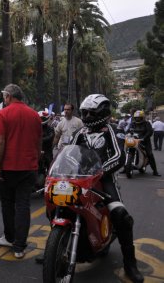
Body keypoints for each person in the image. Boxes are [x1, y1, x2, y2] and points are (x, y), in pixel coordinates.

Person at [71, 94, 144, 283]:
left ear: (102, 113)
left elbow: (119, 157)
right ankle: (56, 249)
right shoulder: (79, 133)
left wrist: (98, 172)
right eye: (84, 112)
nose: (86, 116)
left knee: (121, 216)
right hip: (78, 180)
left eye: (90, 113)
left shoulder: (113, 131)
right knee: (59, 204)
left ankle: (130, 264)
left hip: (104, 180)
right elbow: (68, 153)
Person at [0, 84, 42, 259]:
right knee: (23, 205)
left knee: (7, 204)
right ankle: (19, 246)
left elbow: (0, 142)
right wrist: (36, 160)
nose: (3, 100)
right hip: (29, 166)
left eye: (4, 97)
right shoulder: (34, 115)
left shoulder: (3, 114)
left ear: (8, 96)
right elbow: (39, 141)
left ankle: (10, 237)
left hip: (9, 166)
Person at [128, 110, 160, 176]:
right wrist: (127, 133)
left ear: (142, 117)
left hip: (145, 141)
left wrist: (144, 138)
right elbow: (128, 130)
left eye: (139, 117)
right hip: (134, 140)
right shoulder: (133, 123)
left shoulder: (147, 123)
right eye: (136, 117)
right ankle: (126, 168)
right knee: (128, 151)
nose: (137, 119)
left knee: (150, 154)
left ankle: (155, 171)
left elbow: (150, 131)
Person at [39, 110, 55, 177]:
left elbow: (50, 138)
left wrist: (39, 140)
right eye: (41, 118)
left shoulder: (50, 129)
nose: (42, 120)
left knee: (50, 168)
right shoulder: (36, 128)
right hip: (39, 151)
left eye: (43, 118)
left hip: (47, 151)